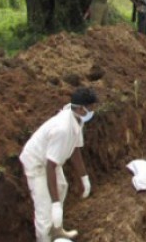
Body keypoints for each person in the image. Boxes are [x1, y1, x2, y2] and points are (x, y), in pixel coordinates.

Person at [19, 87, 97, 242]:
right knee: (44, 210)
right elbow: (50, 167)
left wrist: (84, 177)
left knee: (62, 186)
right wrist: (54, 204)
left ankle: (56, 230)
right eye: (91, 107)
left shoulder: (77, 119)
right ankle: (44, 237)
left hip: (49, 160)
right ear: (81, 108)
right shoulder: (63, 129)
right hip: (37, 163)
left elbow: (75, 150)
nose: (93, 110)